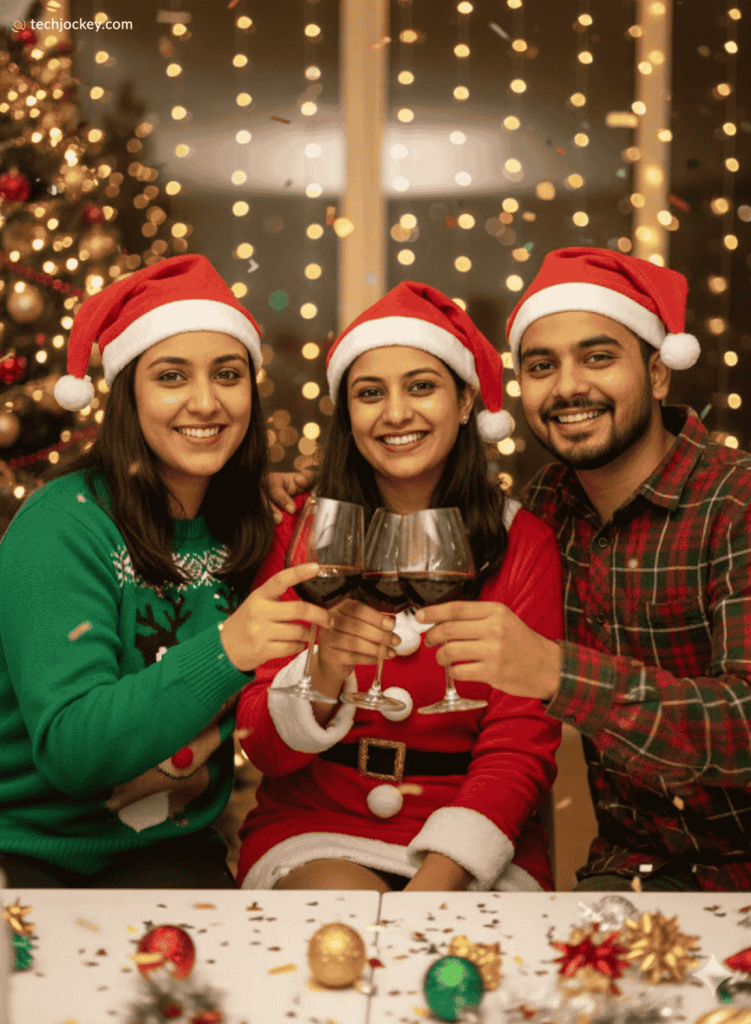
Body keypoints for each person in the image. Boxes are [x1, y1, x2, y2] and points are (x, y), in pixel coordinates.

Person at [419, 246, 751, 892]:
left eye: (597, 357)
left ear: (657, 374)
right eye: (542, 366)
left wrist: (555, 672)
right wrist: (278, 493)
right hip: (629, 872)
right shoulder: (544, 508)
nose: (568, 386)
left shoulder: (735, 504)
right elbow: (419, 512)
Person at [0, 254, 331, 888]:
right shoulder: (61, 525)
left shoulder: (250, 523)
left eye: (227, 375)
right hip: (28, 849)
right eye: (171, 376)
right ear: (128, 392)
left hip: (170, 848)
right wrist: (229, 649)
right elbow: (72, 751)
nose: (205, 403)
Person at [236, 281, 563, 893]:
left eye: (421, 386)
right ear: (347, 411)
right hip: (317, 826)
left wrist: (435, 890)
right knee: (340, 920)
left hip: (475, 841)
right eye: (369, 393)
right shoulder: (301, 526)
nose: (395, 414)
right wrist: (324, 667)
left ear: (466, 401)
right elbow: (262, 746)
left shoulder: (524, 542)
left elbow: (520, 743)